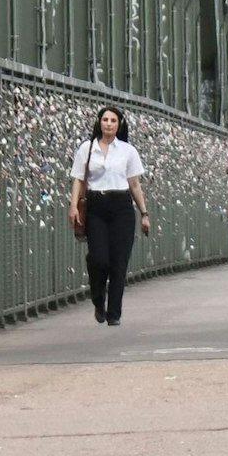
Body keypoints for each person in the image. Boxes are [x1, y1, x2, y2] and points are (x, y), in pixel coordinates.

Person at [68, 106, 151, 326]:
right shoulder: (87, 148)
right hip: (96, 205)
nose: (108, 124)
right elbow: (78, 178)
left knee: (119, 263)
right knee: (99, 259)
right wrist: (73, 206)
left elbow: (134, 183)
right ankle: (98, 298)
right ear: (99, 122)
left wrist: (144, 213)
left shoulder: (127, 151)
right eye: (105, 119)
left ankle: (114, 313)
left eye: (113, 120)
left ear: (119, 124)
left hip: (121, 207)